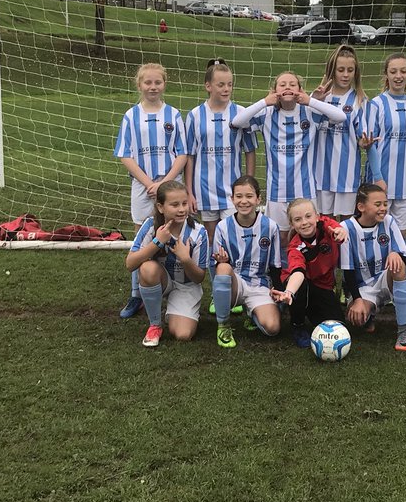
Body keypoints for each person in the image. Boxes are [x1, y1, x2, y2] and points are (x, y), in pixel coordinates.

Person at [230, 71, 346, 250]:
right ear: (274, 90)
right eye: (282, 84)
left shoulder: (309, 112)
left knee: (308, 234)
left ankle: (307, 274)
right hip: (277, 190)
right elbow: (237, 122)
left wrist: (311, 100)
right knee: (281, 238)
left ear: (300, 90)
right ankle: (283, 274)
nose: (287, 87)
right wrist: (264, 102)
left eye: (292, 84)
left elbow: (341, 117)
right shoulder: (267, 114)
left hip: (305, 189)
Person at [114, 62, 188, 319]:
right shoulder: (131, 116)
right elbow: (125, 154)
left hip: (171, 184)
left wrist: (165, 183)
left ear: (164, 84)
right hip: (143, 185)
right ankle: (137, 294)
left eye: (158, 82)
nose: (153, 87)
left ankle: (179, 287)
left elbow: (183, 153)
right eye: (148, 82)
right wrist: (148, 183)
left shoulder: (174, 115)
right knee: (140, 240)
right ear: (139, 85)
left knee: (178, 232)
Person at [125, 181, 209, 347]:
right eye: (174, 205)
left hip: (186, 286)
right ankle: (155, 325)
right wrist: (157, 242)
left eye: (184, 203)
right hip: (162, 279)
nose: (181, 209)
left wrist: (185, 259)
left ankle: (176, 310)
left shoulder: (198, 232)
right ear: (161, 207)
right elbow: (130, 264)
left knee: (183, 335)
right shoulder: (150, 225)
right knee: (147, 268)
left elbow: (199, 278)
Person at [183, 58, 257, 247]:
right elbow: (190, 156)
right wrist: (189, 192)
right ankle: (217, 276)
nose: (226, 89)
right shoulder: (195, 115)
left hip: (233, 190)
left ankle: (236, 275)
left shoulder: (241, 112)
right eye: (221, 84)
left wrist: (248, 186)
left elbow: (250, 151)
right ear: (208, 86)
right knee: (211, 238)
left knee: (234, 237)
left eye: (230, 84)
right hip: (204, 189)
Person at [340, 183, 406, 351]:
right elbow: (348, 271)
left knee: (399, 265)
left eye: (385, 204)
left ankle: (404, 331)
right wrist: (357, 300)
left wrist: (397, 255)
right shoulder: (346, 228)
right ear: (361, 207)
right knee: (357, 318)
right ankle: (369, 314)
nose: (383, 208)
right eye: (378, 204)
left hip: (384, 280)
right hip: (361, 286)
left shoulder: (388, 221)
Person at [210, 176, 283, 347]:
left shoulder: (271, 226)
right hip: (235, 283)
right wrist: (222, 262)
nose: (244, 201)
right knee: (222, 268)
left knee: (273, 329)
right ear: (232, 199)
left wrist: (278, 291)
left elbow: (275, 264)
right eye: (239, 196)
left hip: (260, 284)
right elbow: (215, 266)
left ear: (258, 199)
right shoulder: (222, 227)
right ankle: (223, 325)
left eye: (249, 196)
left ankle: (253, 313)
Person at [270, 198, 348, 348]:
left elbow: (338, 229)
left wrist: (341, 231)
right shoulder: (295, 247)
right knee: (301, 287)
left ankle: (309, 309)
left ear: (317, 216)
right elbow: (298, 273)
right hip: (298, 282)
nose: (304, 222)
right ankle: (297, 325)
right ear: (292, 224)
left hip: (323, 285)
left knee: (338, 325)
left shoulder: (326, 226)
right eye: (298, 219)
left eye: (308, 216)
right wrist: (289, 292)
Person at [312, 44, 369, 220]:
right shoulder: (318, 97)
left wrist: (364, 143)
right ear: (332, 70)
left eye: (350, 70)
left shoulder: (360, 100)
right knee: (323, 222)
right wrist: (315, 101)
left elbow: (361, 137)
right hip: (320, 172)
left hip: (347, 172)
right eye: (341, 70)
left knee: (346, 223)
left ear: (355, 72)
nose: (345, 75)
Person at [364, 53, 406, 228]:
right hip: (380, 180)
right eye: (393, 71)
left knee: (401, 231)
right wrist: (378, 178)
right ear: (386, 75)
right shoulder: (376, 104)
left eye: (403, 71)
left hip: (404, 181)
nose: (398, 76)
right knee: (377, 228)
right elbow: (369, 145)